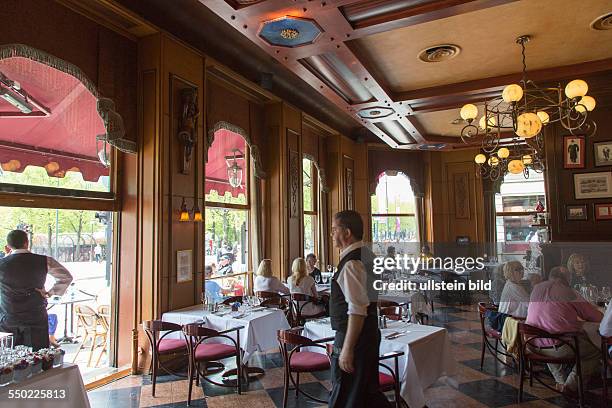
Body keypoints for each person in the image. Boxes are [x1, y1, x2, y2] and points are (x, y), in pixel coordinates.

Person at [328, 210, 391, 408]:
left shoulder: (351, 264)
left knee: (347, 393)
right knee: (365, 392)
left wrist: (346, 349)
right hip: (368, 335)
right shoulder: (367, 255)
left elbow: (357, 310)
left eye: (334, 229)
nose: (331, 234)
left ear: (347, 233)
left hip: (354, 338)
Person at [526, 266, 603, 394]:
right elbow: (593, 316)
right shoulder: (568, 292)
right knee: (595, 349)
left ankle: (560, 381)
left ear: (551, 276)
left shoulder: (537, 288)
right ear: (568, 278)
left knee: (549, 334)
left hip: (532, 343)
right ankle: (571, 386)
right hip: (558, 347)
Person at [0, 229, 73, 350]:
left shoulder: (2, 264)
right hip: (35, 314)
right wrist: (50, 293)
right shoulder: (44, 260)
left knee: (9, 356)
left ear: (8, 246)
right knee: (38, 356)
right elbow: (66, 277)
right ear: (26, 242)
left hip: (8, 315)